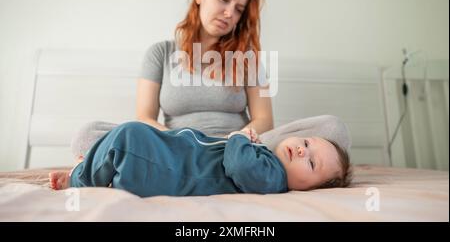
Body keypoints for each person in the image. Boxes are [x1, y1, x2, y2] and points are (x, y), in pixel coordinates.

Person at [71, 0, 352, 161]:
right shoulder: (159, 53)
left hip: (241, 146)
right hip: (175, 146)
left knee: (333, 129)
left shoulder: (250, 58)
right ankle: (201, 162)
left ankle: (222, 162)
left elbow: (264, 119)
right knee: (88, 135)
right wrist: (179, 141)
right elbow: (144, 117)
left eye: (238, 9)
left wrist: (238, 141)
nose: (229, 13)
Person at [50, 121, 352, 196]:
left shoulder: (273, 178)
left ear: (307, 188)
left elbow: (240, 164)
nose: (302, 150)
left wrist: (238, 137)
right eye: (306, 143)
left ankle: (80, 178)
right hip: (178, 141)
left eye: (311, 163)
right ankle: (95, 164)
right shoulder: (271, 165)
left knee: (128, 136)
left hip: (171, 164)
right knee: (109, 133)